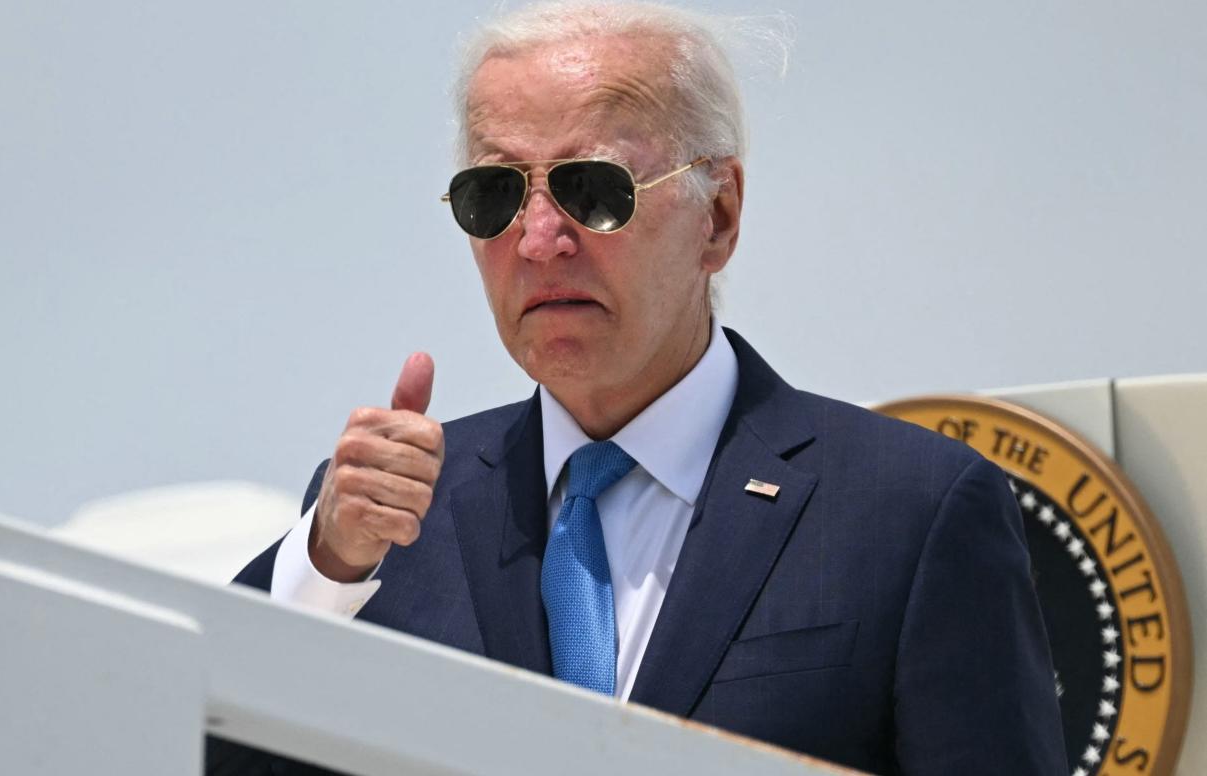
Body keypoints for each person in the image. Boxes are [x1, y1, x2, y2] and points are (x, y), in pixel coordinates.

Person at [210, 2, 1067, 774]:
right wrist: (321, 570)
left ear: (718, 215)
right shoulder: (388, 525)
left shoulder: (908, 512)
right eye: (493, 193)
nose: (540, 238)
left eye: (593, 190)